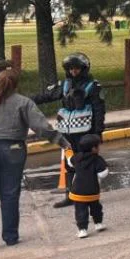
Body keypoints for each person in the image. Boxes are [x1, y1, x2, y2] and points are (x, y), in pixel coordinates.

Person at [0, 69, 70, 252]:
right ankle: (11, 237)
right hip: (13, 150)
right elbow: (41, 127)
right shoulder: (23, 103)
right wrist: (62, 142)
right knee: (10, 194)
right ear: (15, 85)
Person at [33, 53, 106, 208]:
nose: (74, 72)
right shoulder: (65, 85)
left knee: (87, 163)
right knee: (69, 163)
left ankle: (90, 195)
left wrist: (98, 132)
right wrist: (27, 100)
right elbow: (47, 96)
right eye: (71, 69)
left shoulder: (93, 86)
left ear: (84, 69)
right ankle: (70, 196)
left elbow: (99, 110)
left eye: (77, 69)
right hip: (67, 132)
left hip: (86, 133)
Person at [66, 134, 108, 238]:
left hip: (77, 191)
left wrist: (67, 151)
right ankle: (98, 224)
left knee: (80, 211)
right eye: (98, 146)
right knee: (96, 208)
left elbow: (69, 161)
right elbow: (103, 173)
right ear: (94, 148)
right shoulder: (97, 159)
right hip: (92, 190)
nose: (99, 148)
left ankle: (82, 229)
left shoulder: (77, 157)